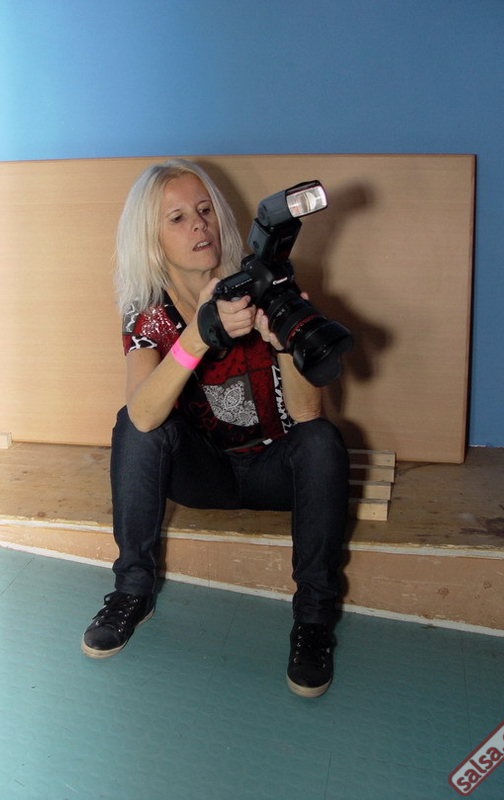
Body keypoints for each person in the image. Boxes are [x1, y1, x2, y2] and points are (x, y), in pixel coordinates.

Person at [81, 158, 350, 698]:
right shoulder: (150, 313)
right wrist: (199, 335)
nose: (198, 225)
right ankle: (133, 590)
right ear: (152, 239)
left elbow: (307, 415)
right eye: (177, 218)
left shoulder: (260, 285)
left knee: (323, 440)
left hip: (274, 469)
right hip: (204, 473)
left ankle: (314, 619)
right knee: (133, 422)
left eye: (204, 210)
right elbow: (143, 416)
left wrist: (284, 344)